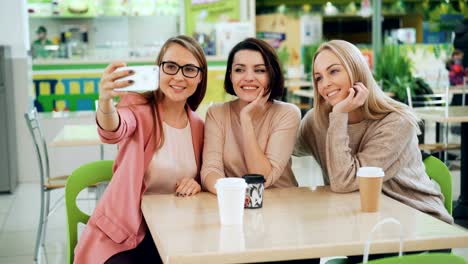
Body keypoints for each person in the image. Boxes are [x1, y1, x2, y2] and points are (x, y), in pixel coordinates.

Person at [73, 35, 207, 264]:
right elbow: (113, 130)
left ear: (199, 77)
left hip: (175, 233)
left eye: (189, 69)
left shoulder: (199, 126)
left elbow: (203, 178)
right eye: (171, 67)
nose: (179, 76)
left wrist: (197, 184)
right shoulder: (137, 107)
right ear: (158, 70)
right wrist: (105, 101)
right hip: (125, 234)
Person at [294, 40, 453, 225]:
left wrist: (339, 114)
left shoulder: (396, 121)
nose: (325, 84)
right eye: (318, 77)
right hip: (360, 222)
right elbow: (283, 146)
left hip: (417, 221)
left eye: (334, 71)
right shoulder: (317, 120)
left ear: (357, 71)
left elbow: (344, 182)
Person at [201, 38, 301, 194]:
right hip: (234, 203)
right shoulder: (216, 113)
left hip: (282, 205)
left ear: (271, 74)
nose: (248, 77)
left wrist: (246, 120)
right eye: (239, 70)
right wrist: (231, 195)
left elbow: (263, 178)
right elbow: (210, 170)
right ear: (230, 75)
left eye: (259, 70)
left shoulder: (287, 113)